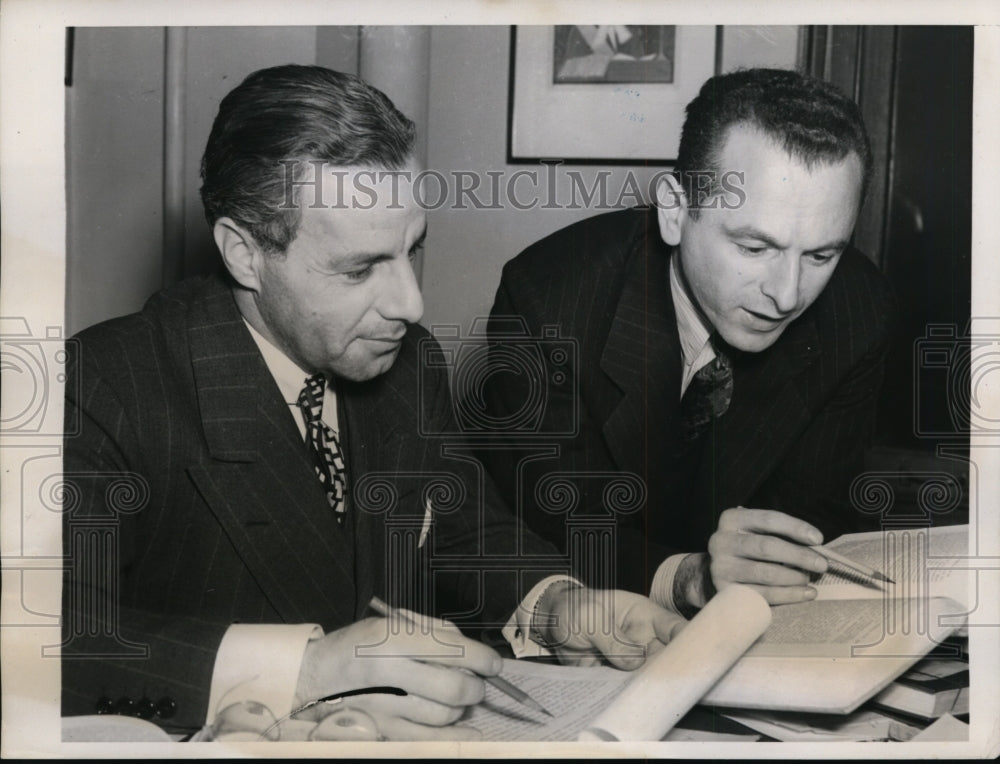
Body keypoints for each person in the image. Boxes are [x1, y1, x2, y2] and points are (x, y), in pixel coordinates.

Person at [60, 65, 686, 740]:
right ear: (244, 254)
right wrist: (308, 668)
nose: (410, 305)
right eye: (360, 269)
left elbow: (458, 526)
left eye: (412, 251)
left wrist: (558, 607)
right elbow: (54, 647)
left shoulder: (407, 363)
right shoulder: (101, 386)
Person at [479, 68, 895, 617]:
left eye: (820, 255)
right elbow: (554, 529)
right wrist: (690, 578)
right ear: (675, 211)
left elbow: (808, 526)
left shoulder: (857, 311)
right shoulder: (548, 304)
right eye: (754, 247)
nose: (788, 295)